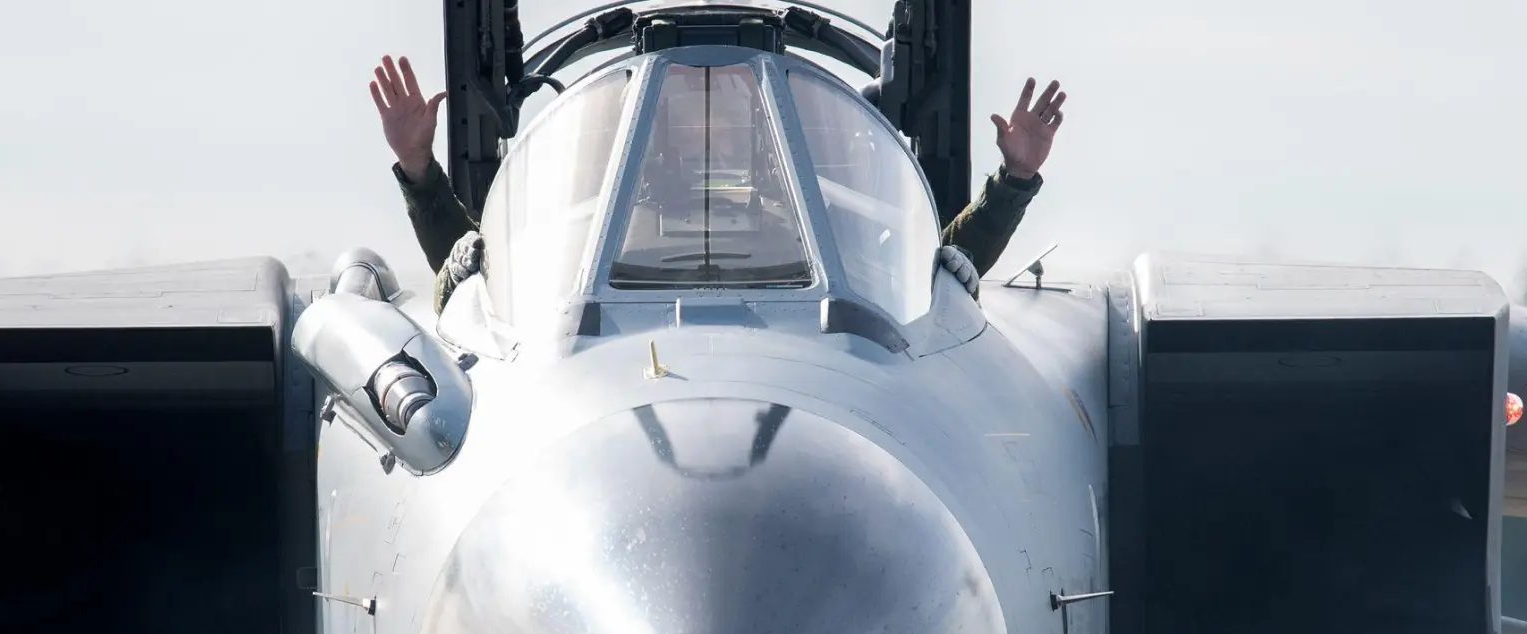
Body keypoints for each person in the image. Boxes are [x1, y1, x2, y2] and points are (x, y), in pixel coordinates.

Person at [368, 55, 1067, 311]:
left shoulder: (824, 228)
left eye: (733, 103)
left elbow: (934, 274)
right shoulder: (581, 234)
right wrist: (421, 169)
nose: (708, 120)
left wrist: (1014, 179)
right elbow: (485, 288)